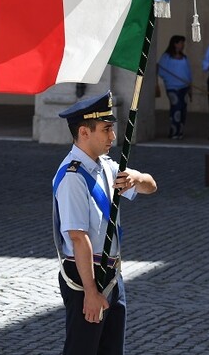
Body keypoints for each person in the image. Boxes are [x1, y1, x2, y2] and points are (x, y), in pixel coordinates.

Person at [53, 91, 157, 355]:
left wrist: (135, 178)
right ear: (84, 132)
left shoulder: (106, 167)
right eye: (106, 129)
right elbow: (78, 237)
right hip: (85, 276)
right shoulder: (73, 176)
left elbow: (151, 186)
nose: (113, 136)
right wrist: (90, 291)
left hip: (111, 274)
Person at [157, 34, 192, 139]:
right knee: (176, 107)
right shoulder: (166, 57)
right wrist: (170, 79)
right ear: (175, 44)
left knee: (183, 109)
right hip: (172, 87)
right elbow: (161, 71)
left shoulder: (184, 58)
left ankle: (180, 131)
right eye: (181, 43)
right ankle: (174, 131)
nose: (183, 45)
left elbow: (188, 72)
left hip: (184, 87)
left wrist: (190, 85)